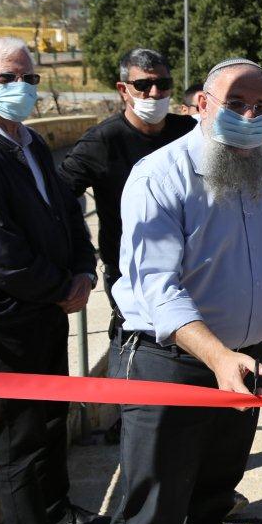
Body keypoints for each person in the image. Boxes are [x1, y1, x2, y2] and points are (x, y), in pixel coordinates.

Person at [109, 58, 262, 524]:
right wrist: (218, 356)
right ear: (202, 105)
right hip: (173, 362)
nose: (250, 116)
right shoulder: (161, 174)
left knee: (211, 502)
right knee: (154, 515)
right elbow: (157, 285)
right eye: (236, 104)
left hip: (241, 366)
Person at [0, 37, 107, 524]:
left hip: (45, 312)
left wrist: (83, 270)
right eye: (9, 78)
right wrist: (62, 286)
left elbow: (67, 213)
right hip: (5, 321)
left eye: (30, 78)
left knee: (49, 422)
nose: (23, 87)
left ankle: (58, 510)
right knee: (18, 441)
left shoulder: (28, 141)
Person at [58, 48, 195, 327]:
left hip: (192, 267)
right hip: (130, 273)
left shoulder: (190, 133)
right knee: (144, 350)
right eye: (143, 85)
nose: (155, 93)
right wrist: (79, 261)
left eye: (163, 84)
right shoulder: (101, 141)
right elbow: (57, 200)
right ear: (123, 89)